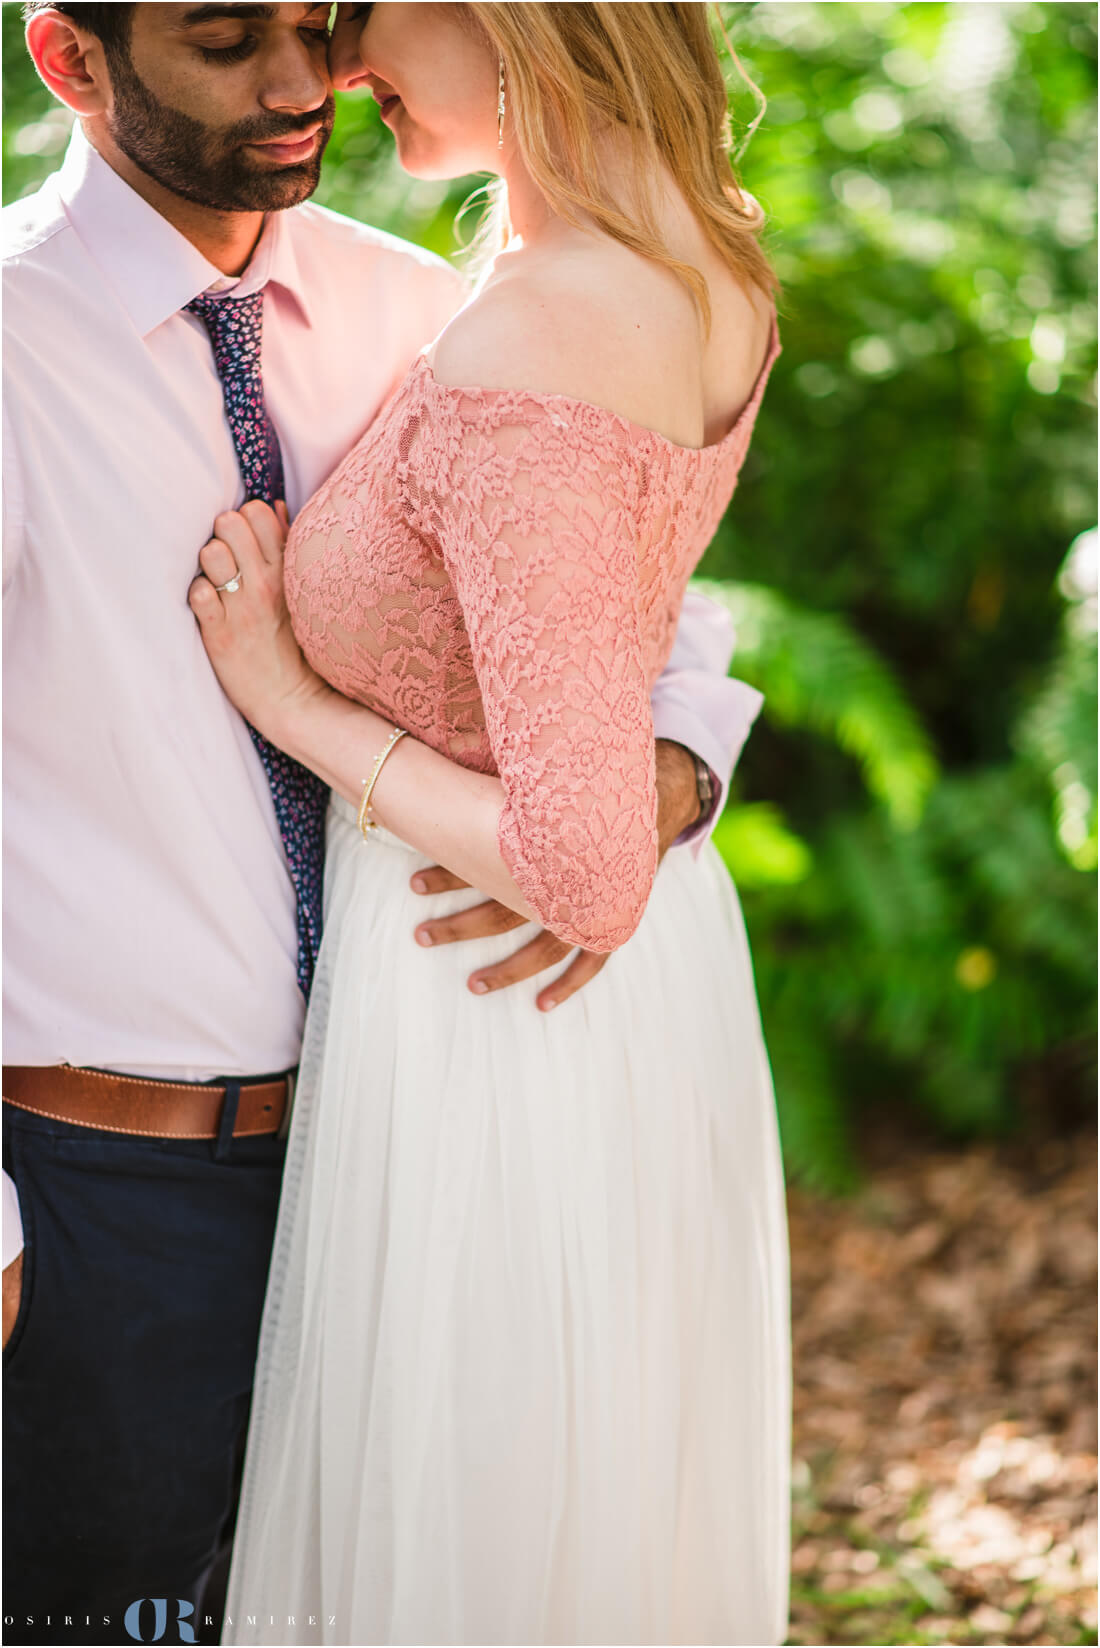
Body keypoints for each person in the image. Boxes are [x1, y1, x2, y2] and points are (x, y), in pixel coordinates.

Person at [2, 4, 764, 1643]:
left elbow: (659, 622)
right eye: (231, 43)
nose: (308, 83)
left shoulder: (430, 301)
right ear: (73, 64)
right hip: (104, 1194)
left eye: (318, 22)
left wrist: (674, 775)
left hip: (432, 1133)